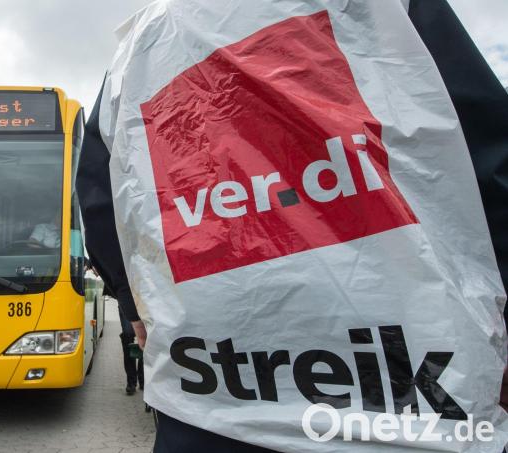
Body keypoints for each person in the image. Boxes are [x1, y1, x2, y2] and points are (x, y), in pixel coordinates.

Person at [78, 1, 508, 452]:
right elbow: (482, 152)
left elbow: (101, 201)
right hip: (417, 409)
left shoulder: (136, 49)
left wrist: (134, 302)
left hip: (208, 406)